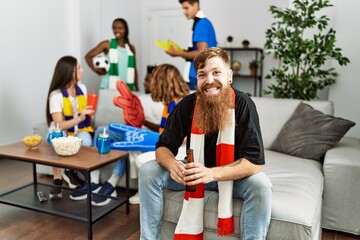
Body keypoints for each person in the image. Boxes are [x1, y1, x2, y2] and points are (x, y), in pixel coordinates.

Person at [138, 47, 272, 239]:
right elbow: (163, 147)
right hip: (193, 174)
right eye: (202, 74)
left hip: (231, 176)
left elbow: (255, 162)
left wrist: (211, 174)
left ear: (229, 76)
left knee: (261, 184)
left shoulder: (243, 104)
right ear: (197, 79)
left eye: (216, 72)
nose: (209, 81)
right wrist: (173, 164)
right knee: (148, 170)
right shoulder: (187, 105)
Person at [91, 64, 190, 206]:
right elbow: (166, 129)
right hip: (160, 139)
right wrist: (143, 122)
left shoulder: (182, 103)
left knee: (126, 143)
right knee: (104, 131)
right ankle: (98, 181)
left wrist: (156, 138)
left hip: (169, 147)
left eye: (155, 80)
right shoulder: (170, 103)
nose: (152, 84)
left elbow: (185, 137)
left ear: (163, 82)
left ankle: (113, 183)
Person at [45, 56, 97, 199]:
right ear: (70, 72)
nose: (82, 70)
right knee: (58, 140)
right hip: (61, 130)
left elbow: (87, 116)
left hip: (80, 130)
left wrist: (88, 116)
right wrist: (80, 117)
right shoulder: (55, 96)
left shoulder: (83, 88)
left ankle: (70, 171)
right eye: (79, 68)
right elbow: (58, 124)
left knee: (85, 141)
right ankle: (58, 178)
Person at [166, 0, 217, 90]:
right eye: (183, 8)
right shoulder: (203, 23)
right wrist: (181, 52)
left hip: (198, 74)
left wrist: (178, 53)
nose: (184, 12)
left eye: (186, 8)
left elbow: (201, 53)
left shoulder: (201, 24)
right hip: (201, 73)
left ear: (196, 5)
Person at [85, 18, 139, 91]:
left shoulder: (131, 48)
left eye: (120, 28)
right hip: (109, 86)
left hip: (127, 88)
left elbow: (134, 70)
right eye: (114, 28)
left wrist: (136, 87)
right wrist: (96, 70)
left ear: (125, 30)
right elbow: (88, 56)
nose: (117, 30)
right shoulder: (107, 44)